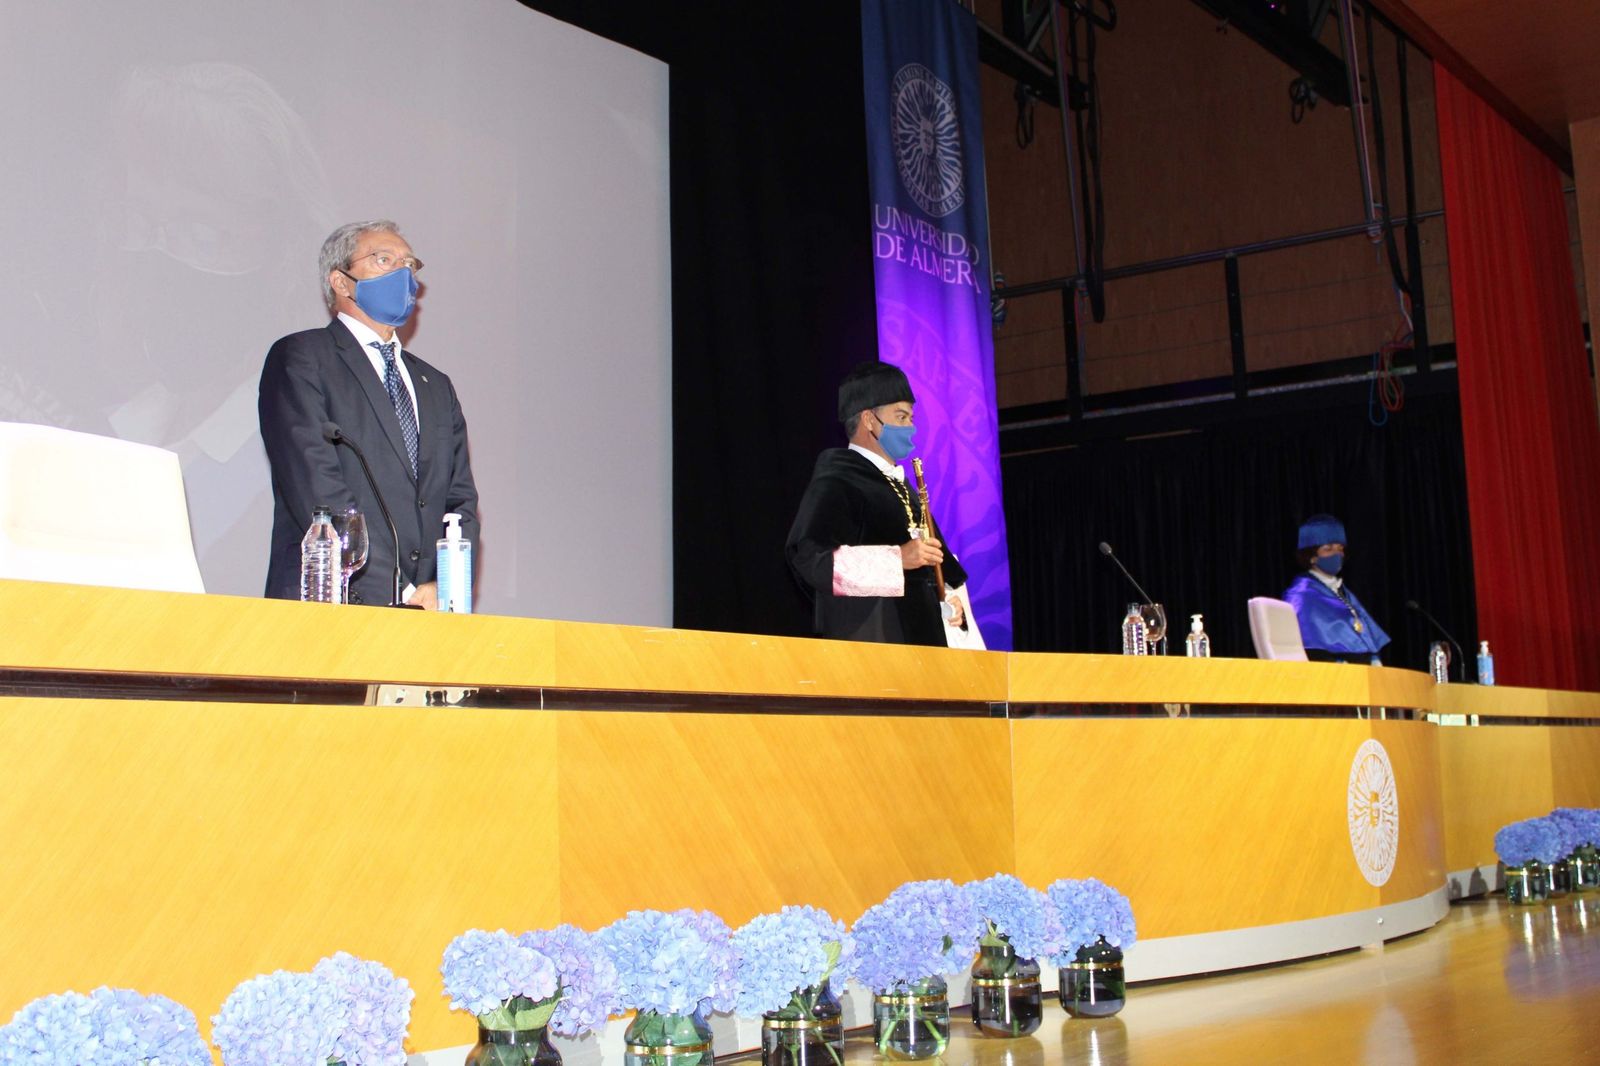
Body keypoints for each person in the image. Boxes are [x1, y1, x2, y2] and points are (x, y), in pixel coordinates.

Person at [259, 220, 479, 607]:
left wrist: (443, 586)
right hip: (334, 601)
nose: (404, 274)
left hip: (429, 613)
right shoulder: (303, 358)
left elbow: (459, 501)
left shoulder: (436, 385)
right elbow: (316, 486)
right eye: (384, 260)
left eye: (409, 264)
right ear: (341, 282)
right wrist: (402, 588)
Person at [786, 361, 970, 646]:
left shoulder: (902, 485)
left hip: (924, 643)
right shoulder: (838, 479)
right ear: (869, 420)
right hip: (873, 640)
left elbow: (933, 570)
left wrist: (949, 601)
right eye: (901, 417)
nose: (911, 428)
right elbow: (809, 558)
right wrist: (897, 559)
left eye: (911, 418)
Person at [1283, 514, 1389, 663]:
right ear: (1311, 556)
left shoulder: (1342, 591)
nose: (1337, 554)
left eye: (1340, 549)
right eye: (1328, 549)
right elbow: (1309, 648)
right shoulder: (1300, 595)